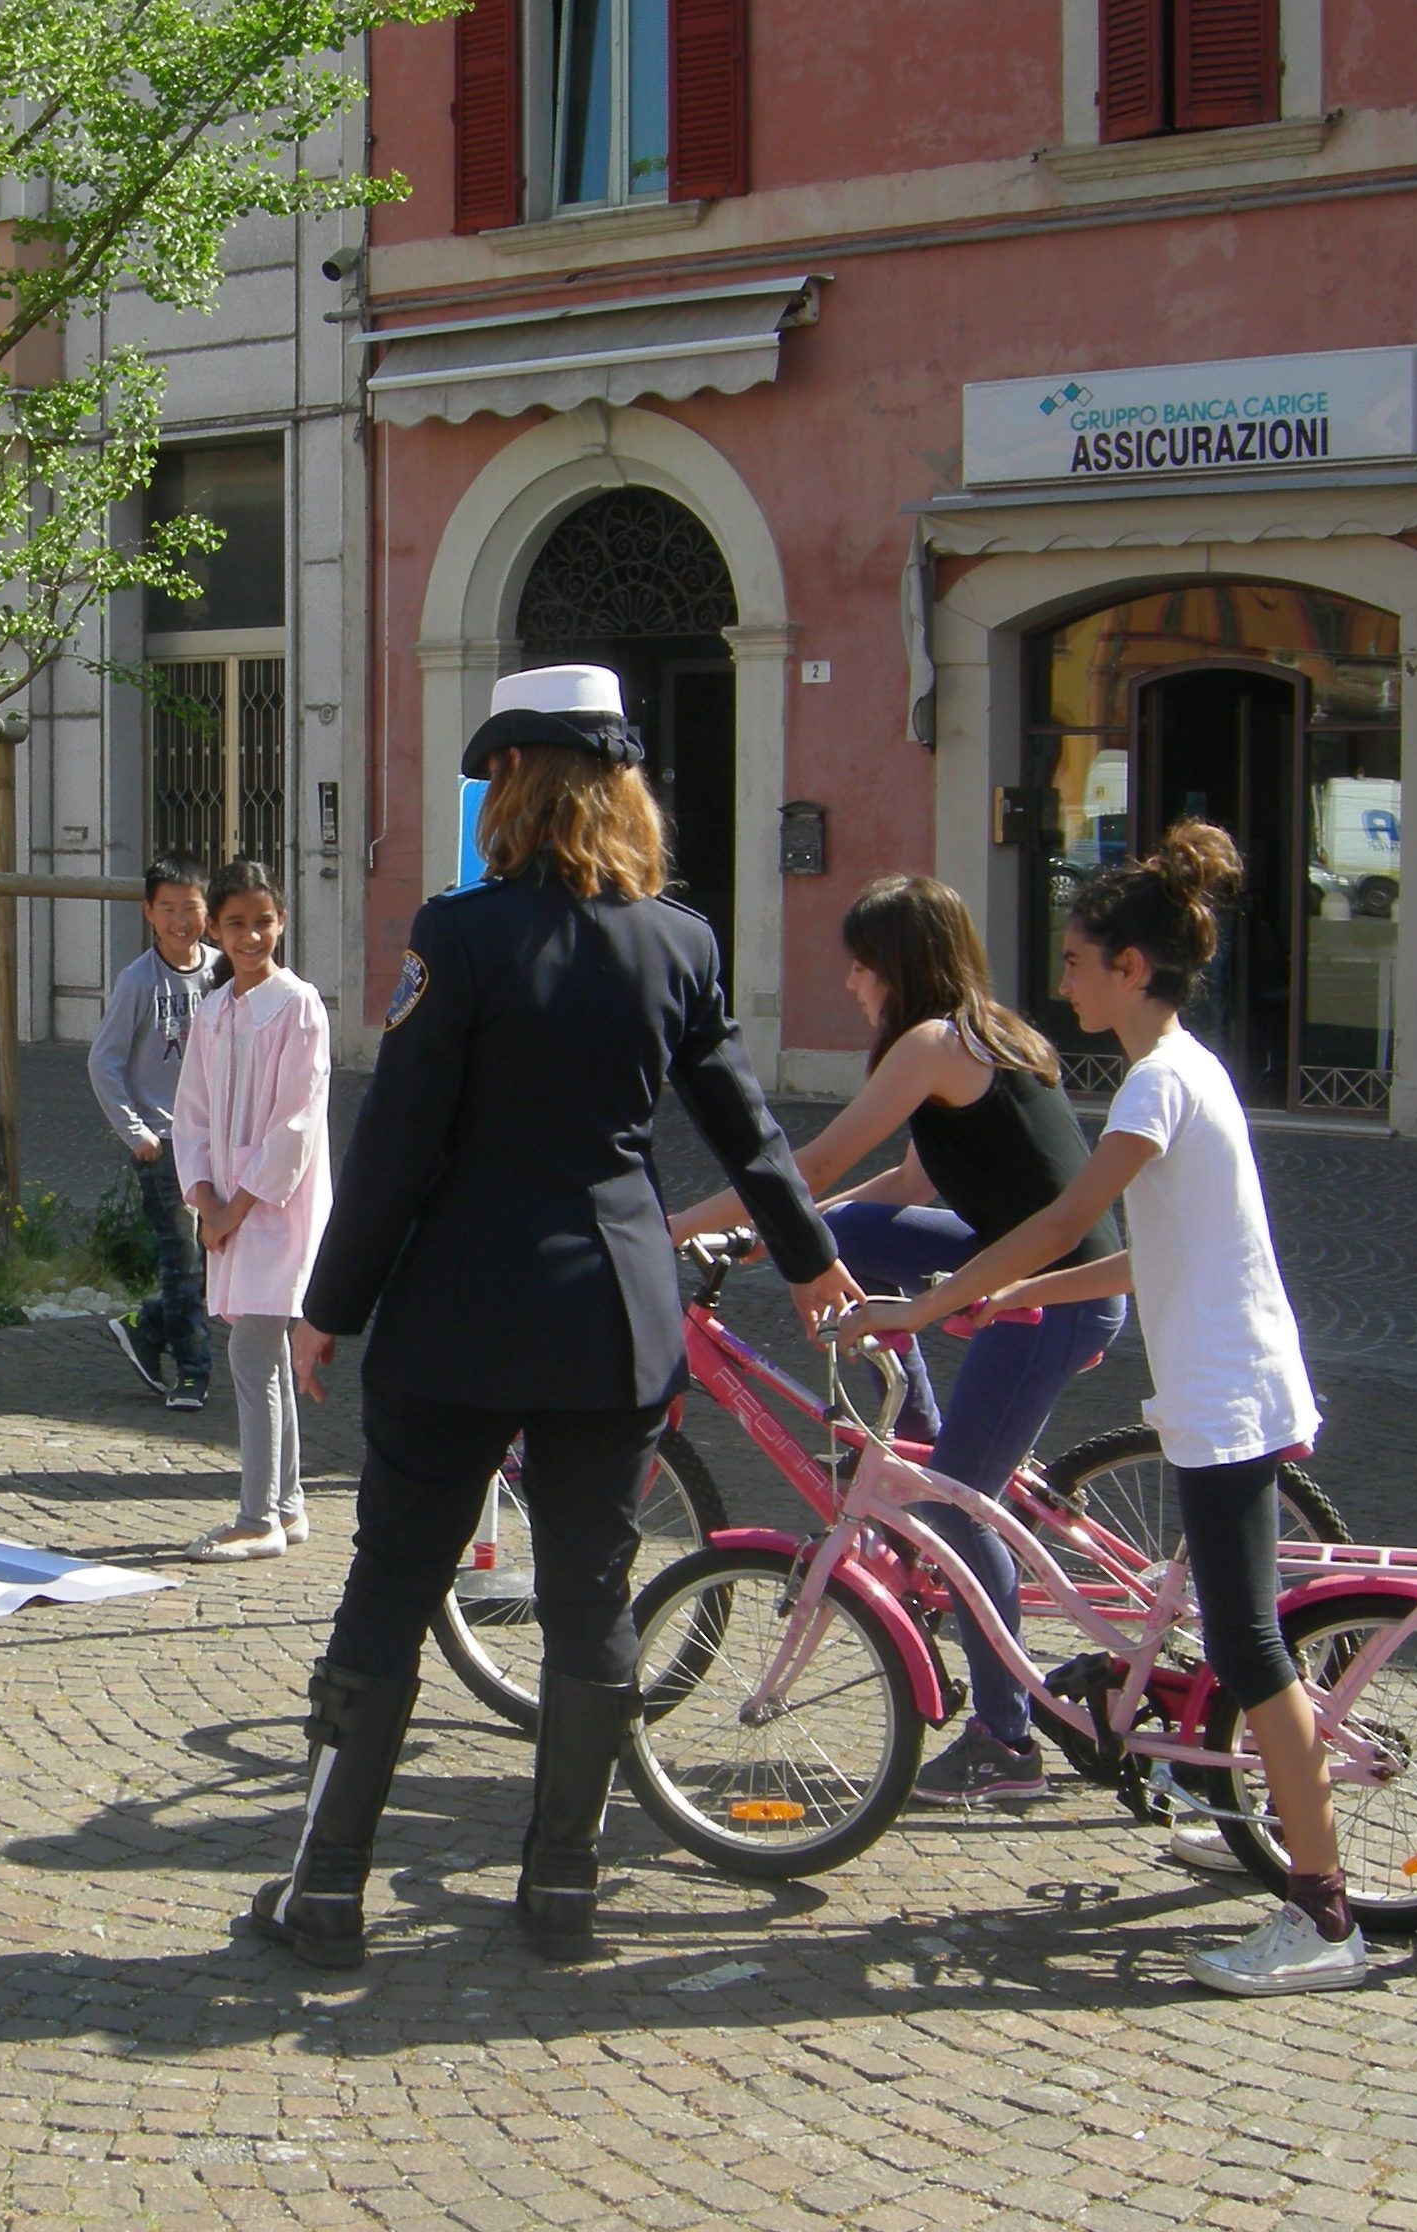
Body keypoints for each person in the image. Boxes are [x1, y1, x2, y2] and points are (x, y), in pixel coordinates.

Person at [248, 664, 862, 1969]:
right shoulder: (680, 942)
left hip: (461, 1316)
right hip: (610, 1322)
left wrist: (326, 1308)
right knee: (593, 1595)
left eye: (491, 778)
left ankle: (327, 1892)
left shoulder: (460, 936)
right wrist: (811, 1262)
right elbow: (748, 1129)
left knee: (394, 1586)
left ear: (520, 778)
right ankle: (563, 1891)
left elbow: (401, 1141)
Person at [866, 823, 1367, 1998]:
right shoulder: (1184, 1071)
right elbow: (1128, 1256)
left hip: (1229, 1396)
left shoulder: (1156, 1082)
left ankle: (1323, 1911)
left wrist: (931, 1302)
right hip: (1221, 1385)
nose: (1067, 979)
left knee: (1249, 1647)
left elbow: (1059, 1215)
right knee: (1221, 1632)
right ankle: (1218, 1797)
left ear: (1131, 968)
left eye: (1083, 958)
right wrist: (1028, 1297)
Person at [665, 874, 1126, 1805]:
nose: (851, 985)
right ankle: (906, 1431)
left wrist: (666, 1227)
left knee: (959, 1509)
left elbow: (820, 1161)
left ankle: (1007, 1744)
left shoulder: (930, 1043)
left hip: (1058, 1295)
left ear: (898, 967)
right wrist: (780, 1238)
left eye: (862, 966)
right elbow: (896, 1190)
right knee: (853, 1240)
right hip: (1019, 1265)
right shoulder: (984, 1031)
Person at [167, 861, 331, 1562]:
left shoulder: (299, 1007)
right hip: (226, 1207)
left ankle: (256, 1515)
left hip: (276, 1207)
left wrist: (237, 1207)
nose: (251, 935)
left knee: (253, 1348)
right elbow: (192, 1113)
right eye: (236, 922)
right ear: (215, 928)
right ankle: (286, 1505)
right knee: (259, 1348)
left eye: (263, 921)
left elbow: (296, 1122)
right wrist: (203, 1193)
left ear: (282, 923)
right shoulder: (217, 1009)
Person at [87, 857, 219, 1411]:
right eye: (168, 908)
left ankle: (148, 1322)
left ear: (207, 913)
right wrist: (136, 1132)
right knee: (181, 1259)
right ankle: (193, 1371)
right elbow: (104, 1061)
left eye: (190, 908)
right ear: (148, 913)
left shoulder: (222, 970)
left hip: (215, 1144)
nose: (180, 920)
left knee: (218, 1257)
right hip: (162, 1144)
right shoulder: (138, 981)